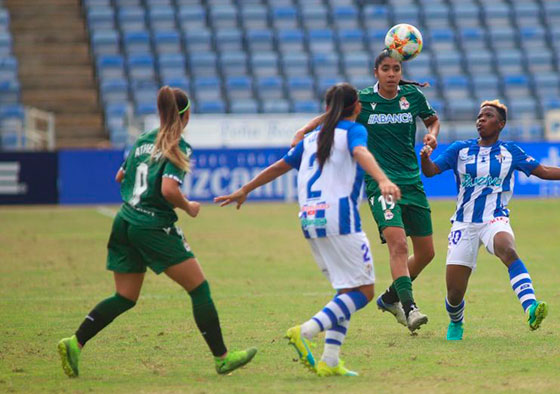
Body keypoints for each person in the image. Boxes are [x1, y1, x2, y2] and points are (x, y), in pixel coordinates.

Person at [57, 87, 257, 377]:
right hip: (152, 226)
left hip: (125, 220)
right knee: (199, 289)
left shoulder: (142, 140)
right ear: (186, 115)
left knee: (125, 296)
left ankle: (74, 342)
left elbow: (120, 176)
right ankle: (222, 358)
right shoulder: (178, 146)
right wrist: (187, 206)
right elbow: (168, 189)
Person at [215, 83, 401, 376]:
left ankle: (329, 359)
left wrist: (246, 188)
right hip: (340, 218)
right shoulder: (353, 131)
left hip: (309, 219)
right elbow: (361, 152)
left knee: (345, 289)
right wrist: (382, 179)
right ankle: (306, 331)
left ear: (327, 109)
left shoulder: (312, 138)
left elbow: (279, 166)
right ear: (357, 108)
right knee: (364, 291)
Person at [419, 100, 560, 340]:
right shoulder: (460, 149)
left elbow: (543, 171)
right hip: (464, 223)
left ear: (500, 124)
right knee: (454, 292)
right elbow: (430, 172)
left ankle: (531, 307)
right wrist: (425, 158)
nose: (481, 119)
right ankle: (456, 321)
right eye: (479, 116)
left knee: (508, 249)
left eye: (488, 116)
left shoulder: (510, 152)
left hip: (495, 218)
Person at [291, 50, 440, 333]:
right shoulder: (364, 102)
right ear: (376, 72)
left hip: (412, 182)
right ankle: (410, 309)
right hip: (380, 183)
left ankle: (389, 298)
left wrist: (433, 134)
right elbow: (330, 116)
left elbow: (432, 120)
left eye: (396, 68)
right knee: (398, 245)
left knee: (427, 253)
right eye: (386, 69)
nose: (392, 74)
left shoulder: (413, 97)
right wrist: (303, 130)